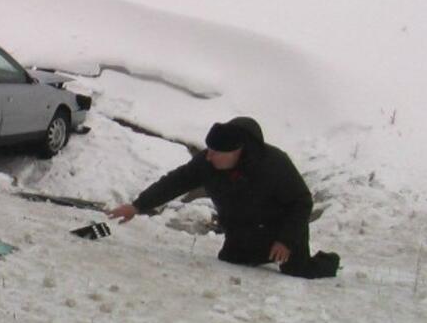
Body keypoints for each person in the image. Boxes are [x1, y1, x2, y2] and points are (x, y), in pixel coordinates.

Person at [107, 117, 339, 279]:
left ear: (236, 152)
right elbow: (175, 182)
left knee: (297, 272)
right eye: (208, 150)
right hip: (243, 226)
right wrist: (137, 206)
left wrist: (286, 241)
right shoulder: (207, 162)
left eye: (216, 152)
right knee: (233, 262)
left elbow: (301, 202)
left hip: (282, 228)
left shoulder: (274, 164)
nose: (209, 156)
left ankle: (329, 261)